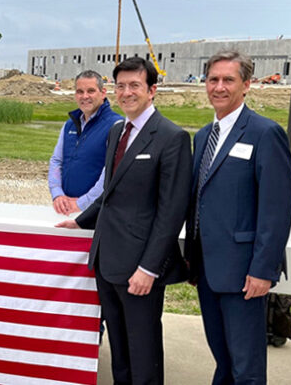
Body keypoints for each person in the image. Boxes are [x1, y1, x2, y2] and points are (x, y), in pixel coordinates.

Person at [57, 57, 191, 384]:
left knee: (143, 353)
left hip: (139, 268)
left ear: (152, 90)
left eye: (135, 85)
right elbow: (109, 191)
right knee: (119, 350)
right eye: (121, 86)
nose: (127, 92)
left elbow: (171, 211)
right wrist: (81, 221)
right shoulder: (118, 131)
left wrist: (149, 268)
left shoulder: (172, 137)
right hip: (107, 261)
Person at [185, 50, 291, 385]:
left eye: (228, 80)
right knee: (223, 356)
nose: (219, 87)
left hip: (245, 274)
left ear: (246, 85)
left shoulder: (265, 133)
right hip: (207, 269)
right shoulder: (204, 136)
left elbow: (276, 210)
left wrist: (263, 270)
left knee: (246, 366)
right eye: (213, 79)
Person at [48, 70, 121, 214]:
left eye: (91, 91)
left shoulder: (115, 126)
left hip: (98, 212)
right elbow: (56, 161)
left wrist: (83, 203)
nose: (85, 96)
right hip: (67, 207)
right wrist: (57, 194)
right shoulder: (69, 125)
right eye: (80, 91)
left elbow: (111, 171)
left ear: (103, 92)